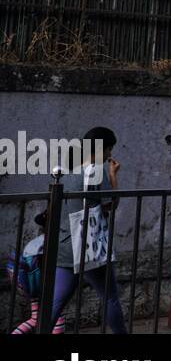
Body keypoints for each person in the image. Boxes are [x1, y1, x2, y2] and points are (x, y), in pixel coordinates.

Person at [49, 127, 127, 333]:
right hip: (89, 244)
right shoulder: (98, 171)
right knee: (110, 298)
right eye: (109, 149)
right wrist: (113, 175)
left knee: (56, 302)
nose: (110, 155)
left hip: (66, 243)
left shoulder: (69, 170)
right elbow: (111, 204)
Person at [7, 211, 65, 334]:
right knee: (58, 318)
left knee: (35, 318)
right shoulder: (52, 243)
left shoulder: (34, 242)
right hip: (44, 286)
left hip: (30, 284)